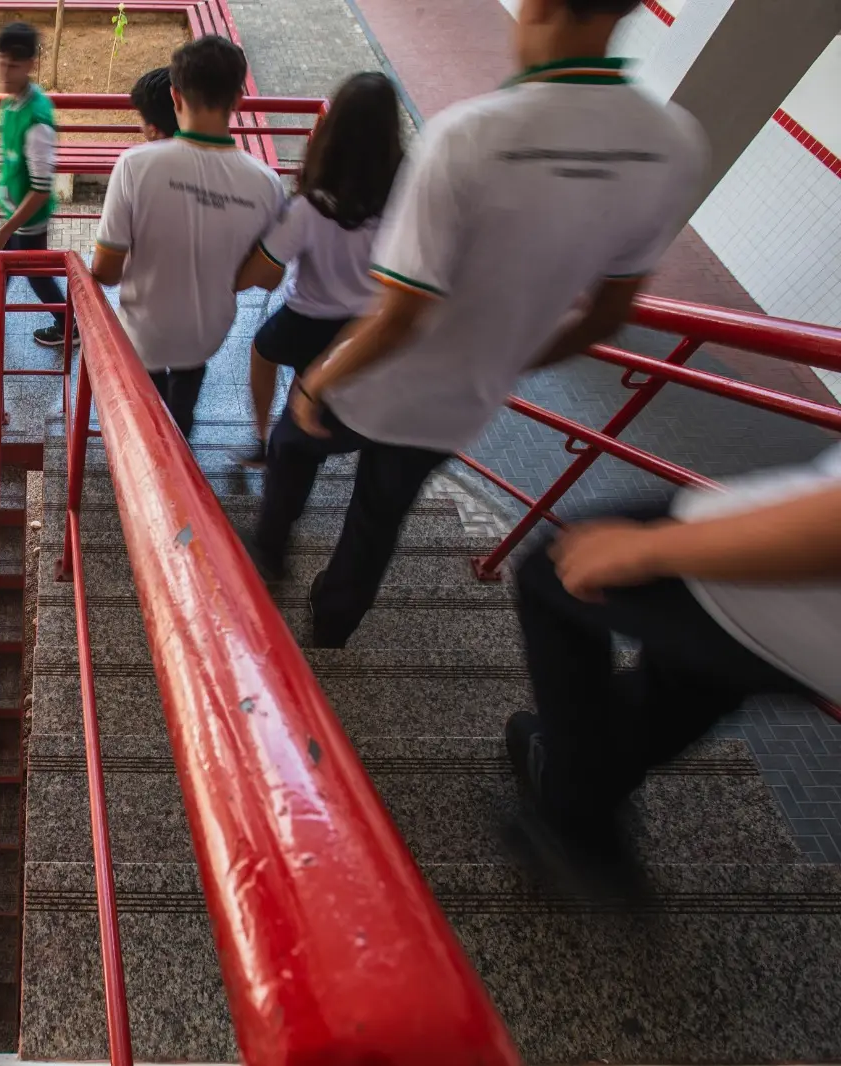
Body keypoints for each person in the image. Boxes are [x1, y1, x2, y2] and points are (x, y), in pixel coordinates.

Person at [249, 0, 707, 648]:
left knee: (295, 444)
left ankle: (267, 556)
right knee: (378, 519)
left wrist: (318, 380)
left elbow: (401, 316)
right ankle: (332, 627)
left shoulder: (467, 136)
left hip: (378, 386)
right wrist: (500, 359)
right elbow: (608, 313)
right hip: (463, 403)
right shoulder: (674, 144)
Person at [509, 445, 841, 857]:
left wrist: (650, 549)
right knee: (698, 675)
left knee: (551, 572)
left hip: (767, 570)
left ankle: (569, 801)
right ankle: (586, 788)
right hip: (815, 645)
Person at [92, 36, 287, 439]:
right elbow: (269, 277)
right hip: (206, 334)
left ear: (175, 95)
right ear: (238, 99)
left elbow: (106, 272)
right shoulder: (267, 185)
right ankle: (180, 436)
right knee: (185, 393)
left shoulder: (135, 166)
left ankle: (155, 442)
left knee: (147, 406)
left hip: (144, 331)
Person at [233, 72, 403, 467]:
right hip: (366, 322)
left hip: (307, 316)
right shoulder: (402, 198)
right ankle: (302, 428)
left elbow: (258, 272)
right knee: (311, 378)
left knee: (263, 350)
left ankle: (263, 439)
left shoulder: (310, 208)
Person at [0, 21, 72, 348]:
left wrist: (5, 228)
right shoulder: (12, 102)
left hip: (28, 219)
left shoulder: (37, 122)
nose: (3, 71)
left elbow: (41, 190)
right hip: (17, 213)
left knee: (34, 272)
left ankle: (68, 325)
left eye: (12, 64)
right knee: (12, 259)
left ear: (30, 64)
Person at [129, 66, 179, 141]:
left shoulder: (135, 153)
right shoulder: (200, 149)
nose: (141, 128)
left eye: (141, 116)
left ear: (153, 130)